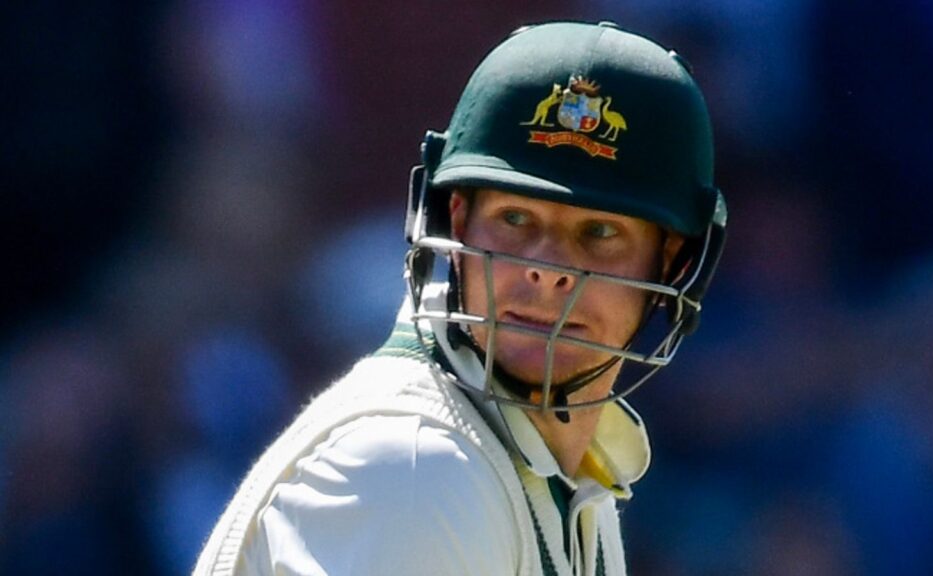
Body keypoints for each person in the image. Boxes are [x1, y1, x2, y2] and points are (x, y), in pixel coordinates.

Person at [194, 21, 727, 576]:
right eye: (515, 219)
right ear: (457, 224)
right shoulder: (419, 470)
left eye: (598, 233)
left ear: (674, 262)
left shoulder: (562, 475)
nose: (547, 271)